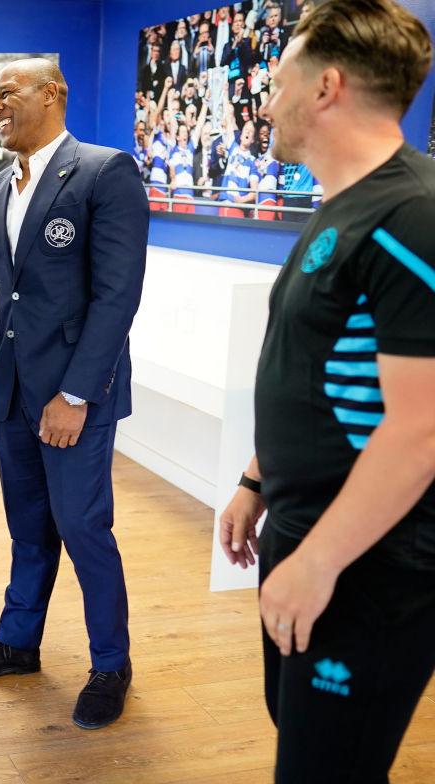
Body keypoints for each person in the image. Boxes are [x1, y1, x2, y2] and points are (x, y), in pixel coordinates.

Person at [217, 1, 435, 780]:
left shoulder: (413, 215)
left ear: (326, 87)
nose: (265, 101)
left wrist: (319, 561)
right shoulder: (340, 208)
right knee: (301, 739)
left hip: (369, 565)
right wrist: (255, 480)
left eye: (277, 83)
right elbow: (313, 371)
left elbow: (423, 429)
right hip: (305, 534)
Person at [0, 58, 148, 731]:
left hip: (74, 399)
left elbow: (117, 295)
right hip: (13, 396)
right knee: (28, 530)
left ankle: (112, 664)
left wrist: (75, 394)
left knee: (83, 528)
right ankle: (18, 644)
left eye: (8, 93)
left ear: (54, 93)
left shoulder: (106, 172)